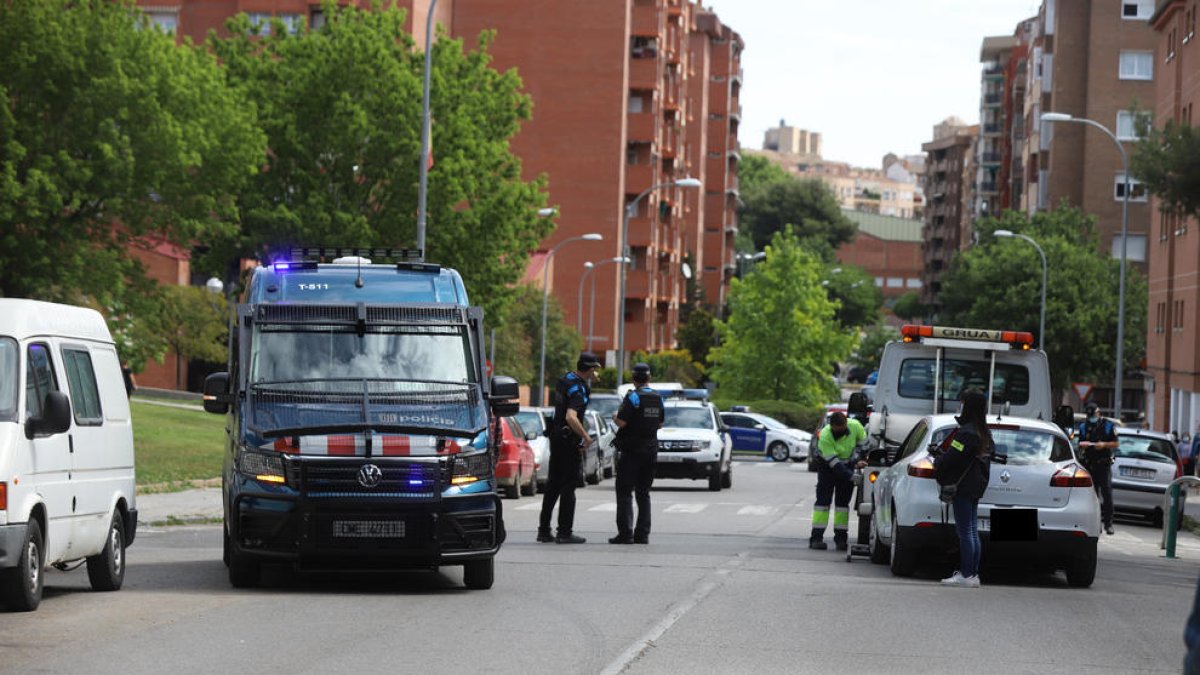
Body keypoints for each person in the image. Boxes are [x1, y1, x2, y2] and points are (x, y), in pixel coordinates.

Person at [538, 352, 601, 544]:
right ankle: (564, 532)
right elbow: (571, 417)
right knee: (568, 487)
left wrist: (591, 378)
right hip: (568, 441)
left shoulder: (565, 379)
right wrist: (585, 436)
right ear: (590, 369)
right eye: (594, 369)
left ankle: (544, 530)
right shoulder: (578, 389)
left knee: (553, 485)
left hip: (556, 437)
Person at [933, 389, 994, 588]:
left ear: (967, 406)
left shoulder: (966, 432)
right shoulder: (983, 430)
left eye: (962, 402)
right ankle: (972, 574)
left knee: (965, 532)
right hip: (975, 486)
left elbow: (952, 457)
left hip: (963, 486)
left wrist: (938, 459)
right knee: (972, 531)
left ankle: (966, 574)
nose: (959, 405)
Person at [609, 363, 664, 545]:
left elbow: (622, 423)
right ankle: (643, 535)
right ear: (649, 378)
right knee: (644, 492)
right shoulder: (658, 398)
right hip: (650, 450)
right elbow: (660, 423)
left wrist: (615, 416)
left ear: (634, 379)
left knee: (624, 491)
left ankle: (625, 534)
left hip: (632, 450)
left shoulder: (633, 397)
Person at [809, 411, 867, 551]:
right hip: (827, 469)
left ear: (846, 424)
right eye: (836, 431)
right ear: (831, 426)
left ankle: (841, 540)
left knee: (842, 506)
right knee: (823, 503)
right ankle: (816, 539)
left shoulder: (855, 426)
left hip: (847, 466)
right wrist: (852, 476)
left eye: (841, 430)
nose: (839, 433)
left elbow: (864, 445)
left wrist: (859, 458)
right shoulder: (825, 435)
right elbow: (834, 463)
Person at [1077, 401, 1117, 535]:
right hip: (1089, 464)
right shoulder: (1083, 426)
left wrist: (1104, 444)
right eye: (1089, 416)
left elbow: (1116, 443)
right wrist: (1083, 445)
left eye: (1093, 415)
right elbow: (1079, 442)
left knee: (1107, 495)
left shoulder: (1108, 425)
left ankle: (1108, 524)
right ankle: (1095, 524)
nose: (1091, 418)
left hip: (1103, 465)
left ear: (1098, 413)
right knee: (1091, 496)